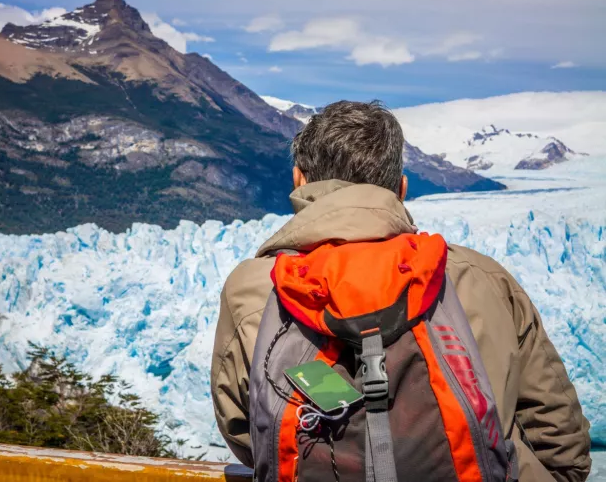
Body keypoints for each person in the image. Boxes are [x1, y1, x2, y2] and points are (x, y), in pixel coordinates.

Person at [210, 100, 591, 481]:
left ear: (298, 180)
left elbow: (248, 433)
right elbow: (560, 443)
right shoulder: (481, 278)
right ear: (402, 188)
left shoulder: (256, 289)